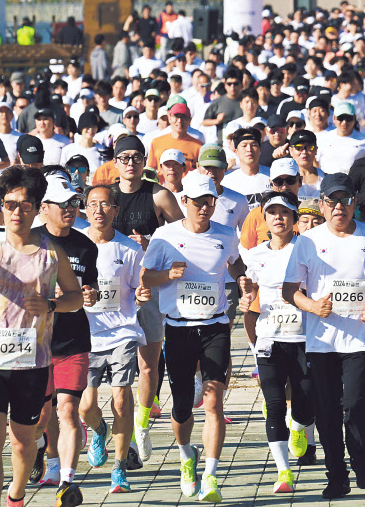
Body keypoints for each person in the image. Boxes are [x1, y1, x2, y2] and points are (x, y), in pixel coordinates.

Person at [282, 173, 365, 499]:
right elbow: (290, 290)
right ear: (321, 204)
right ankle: (336, 474)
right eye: (331, 201)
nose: (339, 208)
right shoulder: (307, 240)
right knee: (327, 409)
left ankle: (361, 460)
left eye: (345, 201)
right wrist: (312, 305)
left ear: (355, 203)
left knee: (356, 401)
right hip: (322, 339)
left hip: (362, 336)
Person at [0, 166, 83, 507]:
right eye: (9, 204)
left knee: (22, 443)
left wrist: (50, 304)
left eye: (24, 205)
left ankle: (16, 496)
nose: (16, 212)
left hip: (31, 362)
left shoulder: (52, 252)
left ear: (37, 208)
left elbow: (75, 298)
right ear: (0, 206)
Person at [140, 173, 244, 502]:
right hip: (178, 327)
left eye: (210, 201)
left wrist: (245, 281)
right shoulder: (165, 236)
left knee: (213, 400)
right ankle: (187, 456)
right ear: (184, 201)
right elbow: (145, 277)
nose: (204, 207)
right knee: (182, 406)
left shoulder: (226, 234)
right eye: (198, 202)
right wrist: (166, 274)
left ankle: (211, 476)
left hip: (215, 326)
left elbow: (236, 264)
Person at [107, 135, 183, 465]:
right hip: (112, 290)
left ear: (144, 160)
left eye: (136, 156)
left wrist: (149, 240)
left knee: (147, 364)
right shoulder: (105, 196)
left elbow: (184, 235)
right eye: (124, 157)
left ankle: (140, 427)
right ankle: (106, 428)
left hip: (148, 287)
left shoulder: (158, 194)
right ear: (115, 162)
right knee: (109, 367)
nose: (131, 162)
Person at [239, 191, 315, 493]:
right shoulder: (256, 254)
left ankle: (299, 426)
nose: (278, 218)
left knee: (305, 401)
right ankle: (283, 472)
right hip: (269, 338)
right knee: (273, 404)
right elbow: (252, 289)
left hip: (304, 338)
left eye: (285, 212)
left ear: (294, 218)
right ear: (265, 219)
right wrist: (246, 295)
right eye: (272, 213)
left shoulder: (308, 249)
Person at [31, 172, 100, 504]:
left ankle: (68, 482)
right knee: (41, 417)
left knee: (68, 410)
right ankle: (50, 457)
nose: (69, 209)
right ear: (44, 208)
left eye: (73, 203)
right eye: (62, 205)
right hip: (34, 344)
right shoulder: (28, 241)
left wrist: (90, 294)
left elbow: (92, 286)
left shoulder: (85, 245)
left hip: (73, 341)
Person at [79, 184, 149, 494]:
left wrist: (142, 295)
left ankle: (119, 469)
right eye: (92, 204)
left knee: (121, 398)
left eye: (105, 204)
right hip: (85, 334)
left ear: (115, 210)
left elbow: (138, 288)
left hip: (122, 331)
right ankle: (99, 430)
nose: (98, 210)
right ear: (85, 209)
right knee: (85, 406)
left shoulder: (130, 249)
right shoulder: (76, 245)